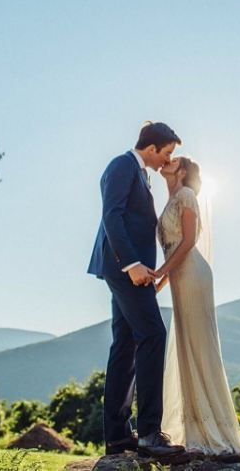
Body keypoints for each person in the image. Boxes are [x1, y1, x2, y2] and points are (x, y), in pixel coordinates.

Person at [87, 122, 185, 458]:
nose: (167, 160)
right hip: (125, 269)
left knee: (126, 344)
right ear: (152, 147)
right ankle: (149, 433)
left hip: (131, 270)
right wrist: (131, 264)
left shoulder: (140, 173)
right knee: (153, 334)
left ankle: (117, 437)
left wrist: (171, 175)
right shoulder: (122, 164)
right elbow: (111, 216)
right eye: (167, 153)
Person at [155, 157, 240, 455]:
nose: (166, 162)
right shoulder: (172, 198)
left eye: (173, 161)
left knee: (198, 345)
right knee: (185, 345)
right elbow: (174, 248)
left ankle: (213, 431)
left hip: (193, 276)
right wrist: (161, 281)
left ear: (182, 171)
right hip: (179, 276)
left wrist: (160, 272)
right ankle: (193, 427)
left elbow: (188, 243)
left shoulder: (186, 196)